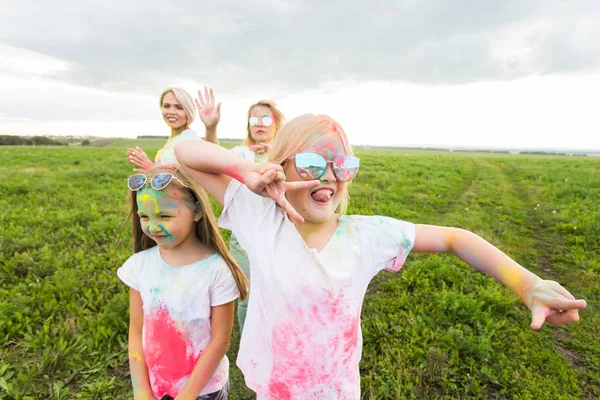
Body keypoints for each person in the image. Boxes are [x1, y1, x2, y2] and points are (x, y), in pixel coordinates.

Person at [173, 114, 587, 399]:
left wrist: (527, 283)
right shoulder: (256, 215)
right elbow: (185, 152)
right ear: (280, 165)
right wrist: (245, 171)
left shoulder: (365, 235)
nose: (330, 175)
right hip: (274, 387)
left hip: (338, 391)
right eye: (314, 162)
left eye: (342, 164)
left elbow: (455, 238)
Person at [117, 165, 249, 399]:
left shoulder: (217, 271)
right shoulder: (138, 266)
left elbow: (220, 341)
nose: (153, 226)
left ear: (197, 211)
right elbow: (136, 332)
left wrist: (187, 395)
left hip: (204, 391)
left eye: (165, 216)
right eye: (144, 216)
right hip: (155, 387)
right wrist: (141, 390)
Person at [196, 91, 286, 331]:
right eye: (254, 118)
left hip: (280, 237)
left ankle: (275, 337)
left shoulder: (287, 153)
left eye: (266, 119)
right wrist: (211, 127)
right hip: (243, 239)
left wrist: (275, 151)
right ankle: (249, 344)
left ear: (276, 124)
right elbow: (210, 157)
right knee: (247, 294)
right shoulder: (240, 154)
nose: (259, 123)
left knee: (278, 292)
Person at [127, 87, 220, 171]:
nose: (171, 112)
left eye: (179, 107)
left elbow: (212, 162)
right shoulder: (175, 138)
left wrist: (211, 127)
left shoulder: (189, 139)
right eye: (166, 106)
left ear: (188, 111)